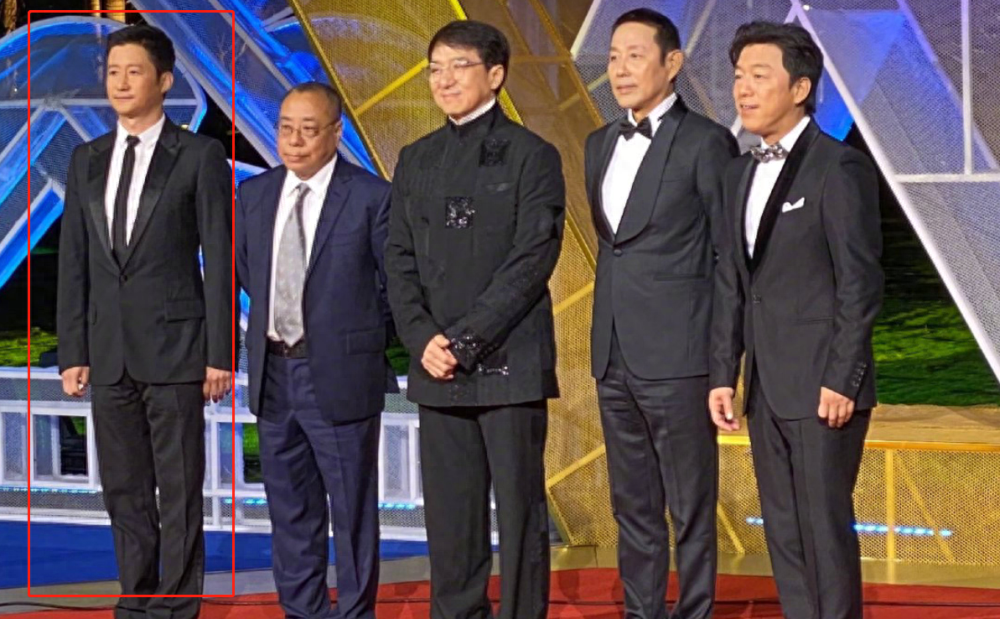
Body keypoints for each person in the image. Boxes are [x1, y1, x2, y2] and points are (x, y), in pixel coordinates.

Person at [384, 19, 565, 619]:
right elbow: (398, 258)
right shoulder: (416, 158)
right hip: (435, 365)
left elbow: (532, 261)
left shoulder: (533, 156)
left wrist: (464, 341)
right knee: (450, 517)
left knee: (519, 513)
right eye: (435, 68)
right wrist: (422, 338)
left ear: (495, 74)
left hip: (508, 362)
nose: (444, 80)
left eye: (459, 66)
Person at [708, 21, 883, 619]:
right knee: (782, 531)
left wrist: (842, 377)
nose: (744, 89)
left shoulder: (838, 168)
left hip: (823, 387)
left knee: (823, 528)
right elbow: (733, 283)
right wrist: (722, 374)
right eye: (738, 77)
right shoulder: (736, 173)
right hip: (764, 387)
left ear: (801, 88)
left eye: (759, 76)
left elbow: (860, 282)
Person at [57, 24, 231, 619]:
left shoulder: (200, 156)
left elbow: (219, 257)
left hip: (177, 349)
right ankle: (135, 600)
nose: (121, 83)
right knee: (125, 489)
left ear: (164, 80)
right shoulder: (85, 159)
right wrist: (73, 350)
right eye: (113, 72)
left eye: (134, 72)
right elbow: (75, 261)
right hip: (108, 352)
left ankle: (176, 606)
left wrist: (219, 352)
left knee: (179, 489)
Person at [583, 9, 738, 618]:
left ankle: (694, 610)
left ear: (672, 63)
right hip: (613, 352)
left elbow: (728, 259)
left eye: (635, 56)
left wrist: (724, 365)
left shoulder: (706, 142)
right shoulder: (598, 143)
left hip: (679, 356)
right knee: (632, 503)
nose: (620, 69)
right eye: (613, 57)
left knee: (690, 503)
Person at [235, 82, 393, 619]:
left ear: (335, 132)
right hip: (274, 374)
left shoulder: (370, 196)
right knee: (290, 510)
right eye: (286, 128)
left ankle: (354, 613)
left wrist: (348, 335)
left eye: (308, 129)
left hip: (340, 375)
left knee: (351, 512)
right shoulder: (255, 195)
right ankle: (302, 611)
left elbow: (391, 286)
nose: (294, 141)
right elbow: (248, 273)